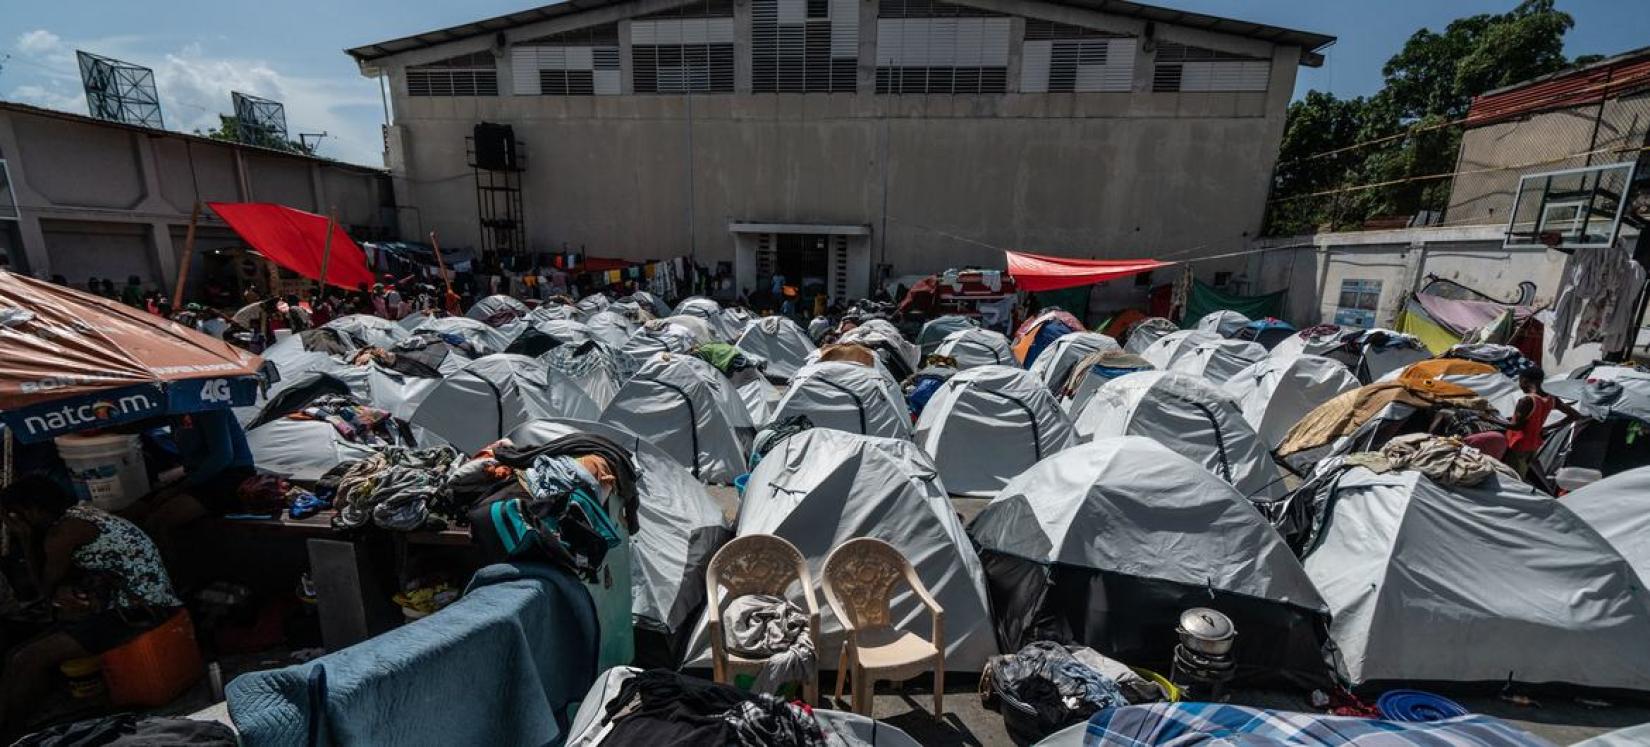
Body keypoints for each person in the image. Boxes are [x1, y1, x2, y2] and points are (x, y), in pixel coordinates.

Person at [0, 476, 182, 736]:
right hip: (134, 603)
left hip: (137, 612)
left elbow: (44, 587)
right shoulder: (83, 513)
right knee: (17, 651)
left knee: (25, 659)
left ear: (30, 511)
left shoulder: (62, 533)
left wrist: (26, 539)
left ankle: (10, 734)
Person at [135, 409, 256, 548]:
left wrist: (181, 487)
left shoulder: (211, 408)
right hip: (197, 476)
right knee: (135, 511)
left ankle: (167, 567)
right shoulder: (175, 413)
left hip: (229, 477)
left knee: (157, 523)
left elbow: (222, 456)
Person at [1504, 368, 1579, 479]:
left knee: (1513, 477)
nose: (1520, 385)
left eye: (1519, 381)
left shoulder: (1526, 401)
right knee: (1522, 474)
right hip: (1533, 445)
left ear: (1524, 381)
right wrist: (1546, 428)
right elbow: (1575, 415)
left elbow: (1516, 426)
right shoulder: (1551, 398)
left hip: (1517, 445)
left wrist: (1489, 419)